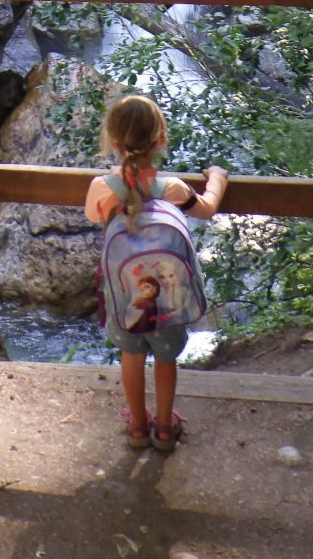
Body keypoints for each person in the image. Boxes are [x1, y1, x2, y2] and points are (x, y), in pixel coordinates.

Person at [85, 93, 228, 452]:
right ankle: (165, 428)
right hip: (168, 299)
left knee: (131, 356)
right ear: (161, 138)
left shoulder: (102, 188)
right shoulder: (173, 188)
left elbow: (93, 217)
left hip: (124, 299)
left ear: (113, 142)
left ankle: (137, 426)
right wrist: (217, 177)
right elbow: (208, 208)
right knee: (165, 359)